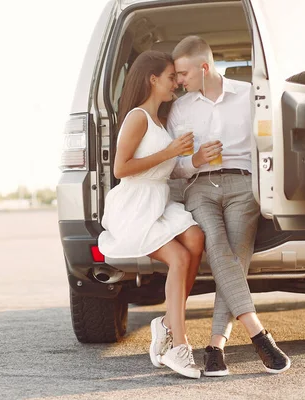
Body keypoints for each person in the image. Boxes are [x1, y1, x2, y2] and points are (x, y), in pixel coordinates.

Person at [166, 35, 291, 376]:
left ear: (204, 68)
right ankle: (258, 333)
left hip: (241, 184)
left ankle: (215, 349)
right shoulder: (180, 108)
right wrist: (193, 160)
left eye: (182, 74)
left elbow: (271, 145)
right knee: (219, 248)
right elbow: (172, 167)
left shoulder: (250, 96)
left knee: (234, 257)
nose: (178, 81)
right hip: (200, 187)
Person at [98, 50, 205, 379]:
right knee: (180, 259)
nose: (177, 83)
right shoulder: (137, 117)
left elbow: (165, 171)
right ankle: (178, 345)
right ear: (153, 79)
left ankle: (166, 323)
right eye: (172, 77)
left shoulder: (160, 119)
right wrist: (170, 151)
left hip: (157, 200)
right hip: (135, 206)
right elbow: (121, 169)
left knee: (196, 239)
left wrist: (194, 160)